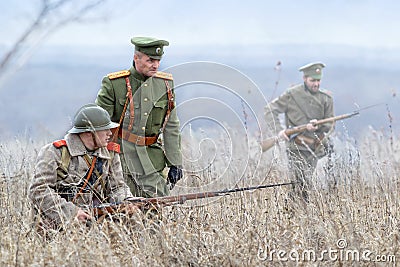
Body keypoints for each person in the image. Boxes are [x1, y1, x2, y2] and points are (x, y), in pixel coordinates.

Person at [29, 104, 139, 233]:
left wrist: (127, 200)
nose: (110, 133)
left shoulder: (110, 154)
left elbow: (117, 187)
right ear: (89, 133)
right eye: (105, 129)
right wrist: (71, 213)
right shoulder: (54, 152)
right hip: (57, 225)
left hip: (96, 222)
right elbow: (38, 190)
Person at [95, 36, 183, 198]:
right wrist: (98, 159)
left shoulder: (165, 84)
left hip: (151, 161)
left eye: (158, 60)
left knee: (157, 212)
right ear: (136, 58)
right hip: (120, 162)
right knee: (123, 214)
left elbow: (171, 126)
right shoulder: (115, 84)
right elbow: (99, 125)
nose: (155, 65)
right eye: (150, 60)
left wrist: (175, 162)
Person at [264, 62, 334, 201]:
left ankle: (297, 211)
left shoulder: (325, 98)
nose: (316, 84)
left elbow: (330, 124)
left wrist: (318, 126)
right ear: (305, 79)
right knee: (300, 183)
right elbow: (269, 110)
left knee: (305, 184)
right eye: (312, 80)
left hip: (314, 148)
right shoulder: (292, 95)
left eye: (318, 80)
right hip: (296, 146)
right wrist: (279, 131)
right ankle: (294, 212)